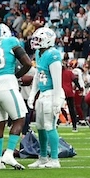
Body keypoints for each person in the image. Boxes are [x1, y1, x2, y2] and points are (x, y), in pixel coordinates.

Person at [0, 22, 34, 169]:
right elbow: (28, 63)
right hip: (7, 84)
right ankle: (9, 153)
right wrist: (16, 76)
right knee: (20, 118)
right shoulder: (11, 42)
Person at [31, 26, 64, 169]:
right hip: (43, 93)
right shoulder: (39, 53)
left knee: (50, 125)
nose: (36, 42)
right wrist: (33, 94)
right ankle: (43, 157)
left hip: (52, 93)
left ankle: (55, 159)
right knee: (40, 126)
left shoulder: (54, 54)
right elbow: (38, 75)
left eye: (39, 40)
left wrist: (57, 100)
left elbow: (57, 80)